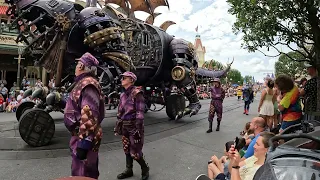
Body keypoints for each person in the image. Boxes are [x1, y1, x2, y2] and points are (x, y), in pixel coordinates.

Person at [64, 52, 104, 179]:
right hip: (79, 136)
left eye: (77, 64)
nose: (76, 67)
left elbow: (89, 113)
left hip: (83, 139)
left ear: (81, 66)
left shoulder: (88, 84)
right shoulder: (84, 83)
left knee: (83, 174)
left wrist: (84, 144)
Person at [114, 71, 149, 180]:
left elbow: (140, 112)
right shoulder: (123, 94)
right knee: (126, 148)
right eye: (122, 77)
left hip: (134, 127)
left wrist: (137, 129)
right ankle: (129, 170)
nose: (122, 79)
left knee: (135, 152)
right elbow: (120, 112)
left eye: (124, 77)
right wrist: (118, 125)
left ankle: (145, 168)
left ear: (131, 80)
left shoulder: (137, 93)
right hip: (125, 126)